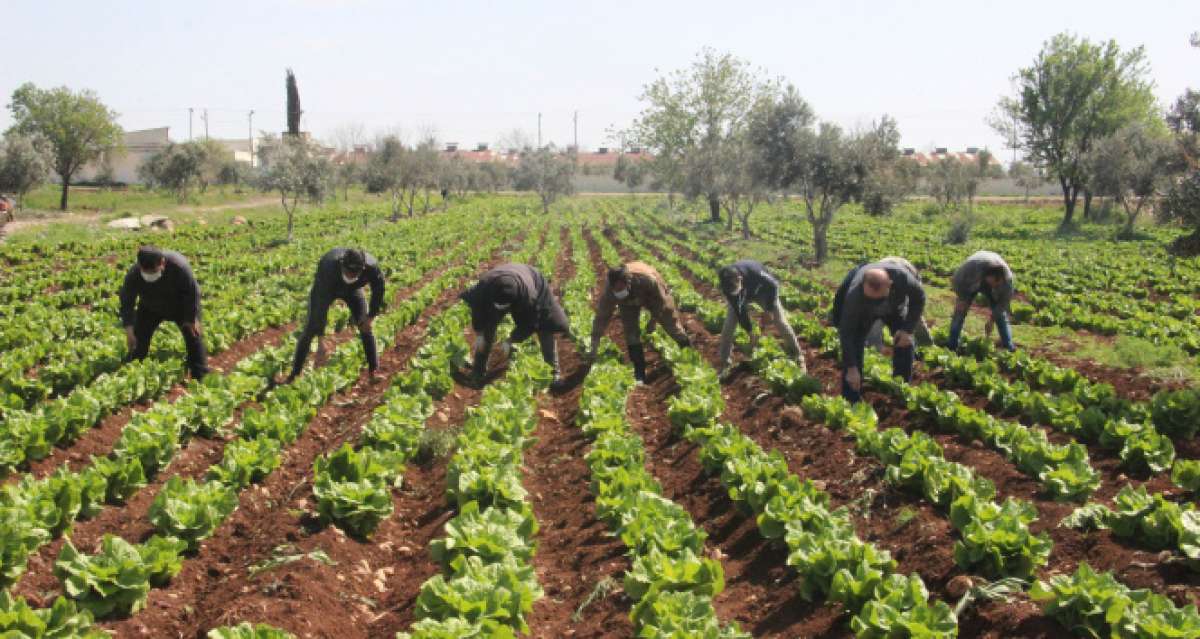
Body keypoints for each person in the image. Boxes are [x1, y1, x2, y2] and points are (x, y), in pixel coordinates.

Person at [459, 263, 571, 390]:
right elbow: (477, 307)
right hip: (499, 282)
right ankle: (478, 370)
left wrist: (511, 340)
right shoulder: (485, 286)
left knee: (546, 326)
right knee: (487, 329)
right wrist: (479, 332)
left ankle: (553, 375)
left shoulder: (529, 297)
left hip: (533, 279)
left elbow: (530, 323)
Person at [283, 248, 384, 383]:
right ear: (342, 265)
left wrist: (370, 317)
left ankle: (374, 371)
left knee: (365, 326)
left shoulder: (372, 268)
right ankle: (294, 374)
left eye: (355, 273)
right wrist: (321, 341)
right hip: (328, 289)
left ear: (363, 269)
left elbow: (379, 288)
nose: (350, 276)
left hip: (354, 291)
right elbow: (321, 305)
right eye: (348, 272)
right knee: (310, 329)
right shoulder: (328, 267)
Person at [831, 261, 926, 403]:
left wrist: (907, 330)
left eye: (879, 298)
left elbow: (919, 298)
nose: (876, 303)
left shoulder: (902, 278)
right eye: (871, 299)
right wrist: (851, 367)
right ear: (863, 287)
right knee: (855, 344)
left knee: (905, 343)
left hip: (894, 308)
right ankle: (851, 399)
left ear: (890, 284)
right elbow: (847, 333)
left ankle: (901, 390)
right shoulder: (854, 296)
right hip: (863, 312)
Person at [587, 262, 691, 384]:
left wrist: (653, 321)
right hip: (627, 303)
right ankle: (639, 372)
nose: (618, 291)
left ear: (628, 282)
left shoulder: (647, 280)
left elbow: (661, 303)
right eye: (616, 289)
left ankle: (689, 355)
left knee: (671, 324)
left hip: (652, 296)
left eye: (621, 289)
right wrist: (595, 341)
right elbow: (602, 316)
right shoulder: (610, 291)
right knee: (631, 332)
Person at [119, 246, 209, 380]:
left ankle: (200, 375)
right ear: (140, 266)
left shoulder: (179, 267)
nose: (150, 276)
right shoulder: (134, 274)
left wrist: (191, 319)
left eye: (154, 271)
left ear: (162, 263)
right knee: (138, 340)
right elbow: (127, 301)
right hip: (150, 306)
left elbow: (192, 292)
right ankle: (130, 372)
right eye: (146, 272)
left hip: (181, 306)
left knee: (193, 337)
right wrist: (129, 329)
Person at [716, 260, 805, 380]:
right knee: (728, 327)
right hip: (744, 296)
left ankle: (798, 355)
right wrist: (750, 331)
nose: (733, 292)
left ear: (740, 278)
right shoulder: (727, 287)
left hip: (764, 292)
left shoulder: (755, 272)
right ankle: (724, 363)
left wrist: (768, 310)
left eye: (735, 288)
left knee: (780, 321)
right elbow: (740, 311)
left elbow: (774, 285)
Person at [948, 250, 1016, 352]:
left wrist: (992, 320)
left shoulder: (1007, 282)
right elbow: (957, 281)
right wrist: (962, 298)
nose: (994, 285)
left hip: (986, 274)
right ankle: (952, 346)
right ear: (986, 276)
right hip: (970, 280)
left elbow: (1002, 304)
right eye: (993, 282)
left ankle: (1009, 347)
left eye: (997, 283)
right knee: (959, 313)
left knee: (1001, 317)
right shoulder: (969, 270)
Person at [863, 256, 933, 350]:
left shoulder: (904, 280)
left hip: (908, 273)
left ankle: (925, 343)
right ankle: (875, 346)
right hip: (887, 270)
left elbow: (918, 300)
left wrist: (906, 329)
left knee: (913, 315)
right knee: (876, 318)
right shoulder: (871, 280)